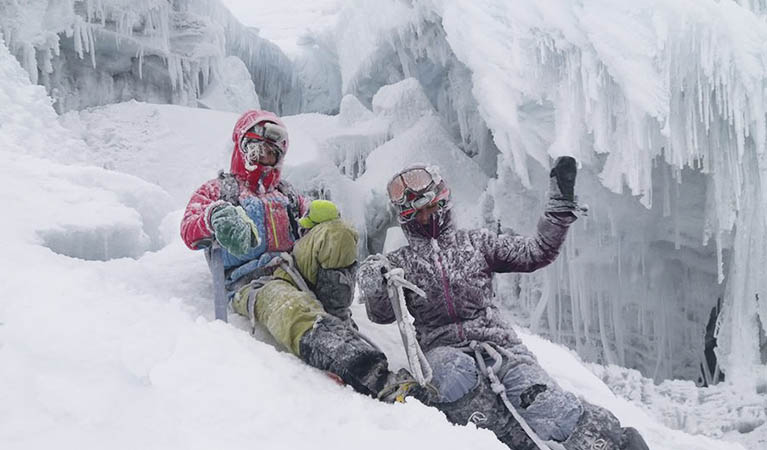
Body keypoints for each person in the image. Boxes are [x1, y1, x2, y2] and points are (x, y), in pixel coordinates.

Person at [357, 159, 650, 449]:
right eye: (417, 213)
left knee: (542, 400)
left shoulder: (477, 244)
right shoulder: (400, 264)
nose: (425, 217)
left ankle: (613, 442)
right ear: (406, 217)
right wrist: (375, 287)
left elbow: (537, 252)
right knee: (452, 374)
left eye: (430, 208)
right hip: (442, 351)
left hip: (500, 346)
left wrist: (558, 211)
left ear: (443, 202)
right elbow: (381, 315)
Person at [180, 110, 408, 399]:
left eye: (272, 154)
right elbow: (189, 227)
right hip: (252, 282)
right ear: (241, 147)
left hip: (294, 268)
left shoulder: (286, 193)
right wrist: (214, 217)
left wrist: (320, 216)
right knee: (291, 307)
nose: (264, 158)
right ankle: (372, 375)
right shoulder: (219, 191)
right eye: (256, 150)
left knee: (339, 231)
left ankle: (336, 317)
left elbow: (314, 221)